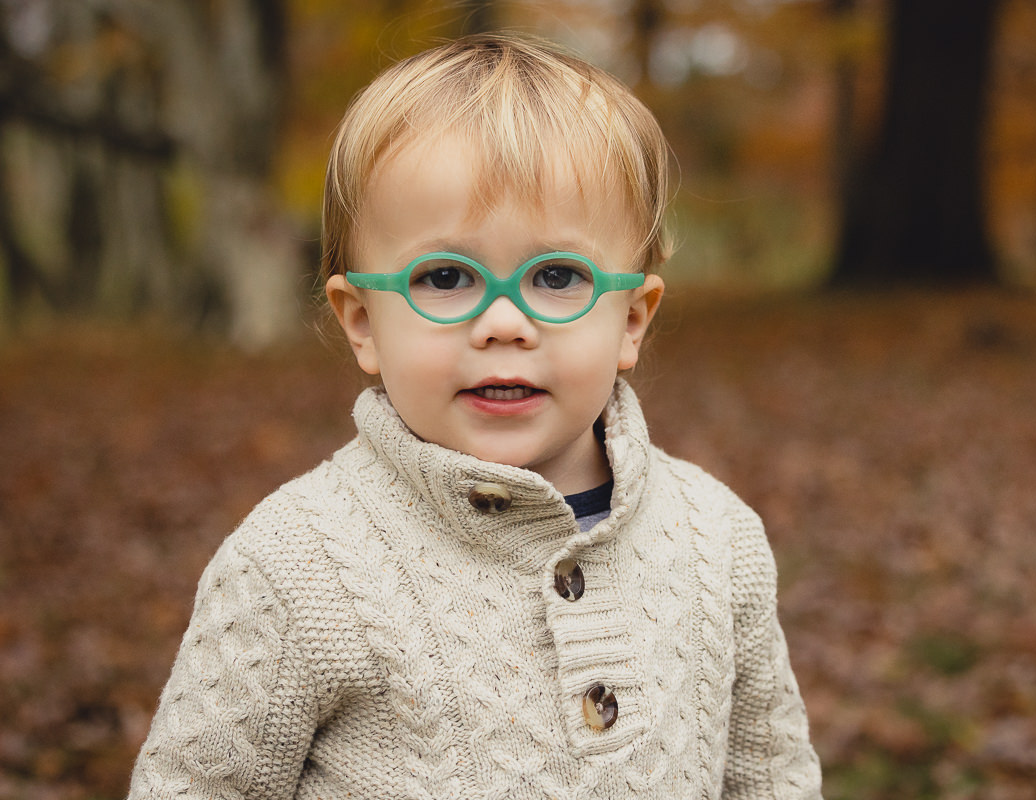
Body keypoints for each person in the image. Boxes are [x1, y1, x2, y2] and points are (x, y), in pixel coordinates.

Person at [127, 33, 822, 799]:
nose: (503, 322)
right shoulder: (296, 567)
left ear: (632, 318)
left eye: (557, 275)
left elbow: (773, 777)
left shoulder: (717, 539)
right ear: (361, 320)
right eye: (447, 276)